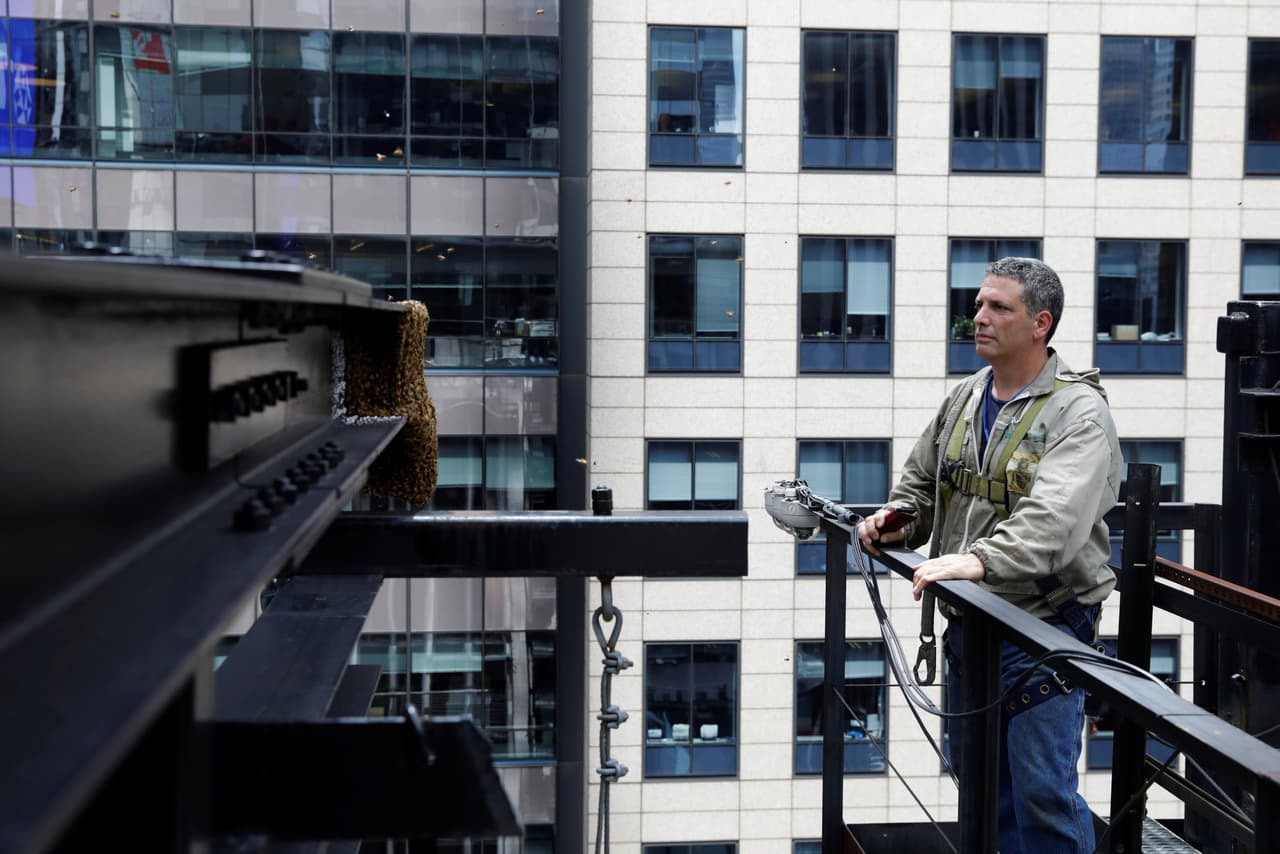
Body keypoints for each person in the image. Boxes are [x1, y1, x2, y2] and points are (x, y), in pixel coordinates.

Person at [856, 257, 1121, 854]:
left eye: (999, 307)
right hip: (972, 627)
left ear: (1040, 324)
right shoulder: (967, 397)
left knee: (1042, 799)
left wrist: (976, 561)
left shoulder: (1078, 414)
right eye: (979, 304)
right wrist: (897, 521)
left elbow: (1053, 521)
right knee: (980, 789)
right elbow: (922, 483)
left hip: (1043, 628)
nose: (979, 317)